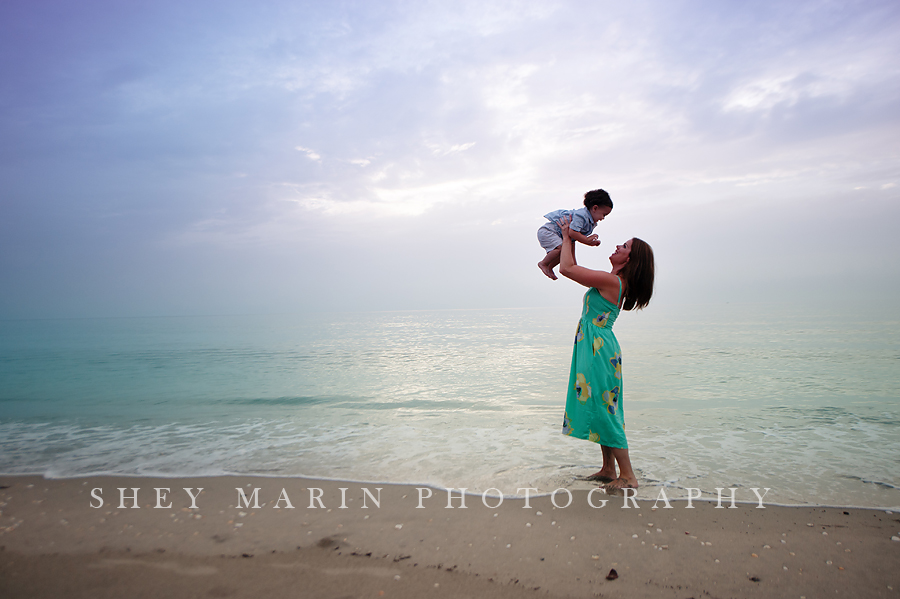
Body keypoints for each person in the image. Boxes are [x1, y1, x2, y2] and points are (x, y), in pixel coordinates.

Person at [556, 213, 655, 493]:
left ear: (630, 260)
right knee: (601, 405)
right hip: (595, 346)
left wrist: (567, 236)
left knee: (607, 410)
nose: (617, 247)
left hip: (599, 350)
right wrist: (572, 237)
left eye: (624, 247)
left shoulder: (613, 283)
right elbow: (572, 265)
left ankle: (629, 476)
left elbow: (567, 269)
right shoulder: (611, 279)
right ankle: (609, 469)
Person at [537, 189, 613, 280]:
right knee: (561, 249)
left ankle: (550, 266)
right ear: (595, 208)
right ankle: (544, 263)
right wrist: (586, 240)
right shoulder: (582, 216)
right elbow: (572, 232)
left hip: (559, 234)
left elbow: (574, 237)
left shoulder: (590, 222)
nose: (603, 218)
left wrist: (589, 242)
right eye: (604, 215)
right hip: (549, 231)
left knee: (564, 252)